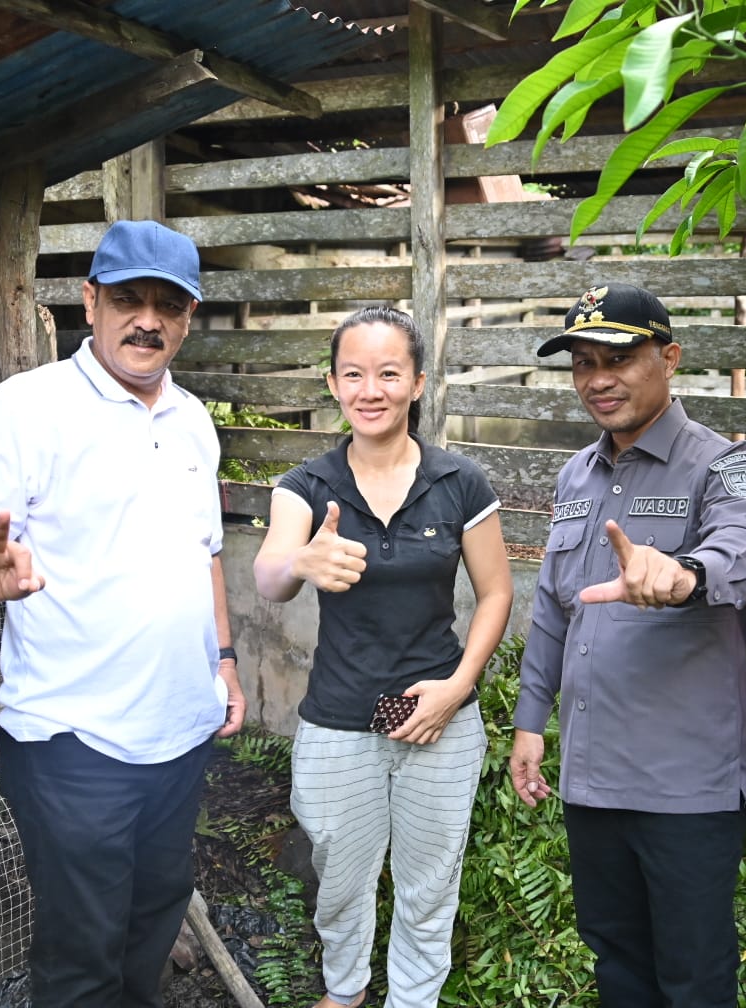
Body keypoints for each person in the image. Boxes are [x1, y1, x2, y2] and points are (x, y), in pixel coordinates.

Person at [0, 219, 246, 1007]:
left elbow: (204, 552)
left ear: (188, 316)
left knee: (151, 921)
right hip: (74, 740)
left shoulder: (193, 421)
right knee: (82, 955)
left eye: (167, 305)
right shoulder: (26, 408)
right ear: (89, 301)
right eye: (128, 299)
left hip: (179, 728)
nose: (147, 319)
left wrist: (225, 663)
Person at [509, 283, 746, 1008]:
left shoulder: (724, 463)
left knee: (694, 977)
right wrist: (530, 721)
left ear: (670, 358)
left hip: (685, 789)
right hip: (593, 781)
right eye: (583, 363)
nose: (598, 379)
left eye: (619, 358)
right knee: (618, 966)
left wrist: (685, 573)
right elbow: (556, 607)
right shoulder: (575, 474)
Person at [252, 306, 513, 1008]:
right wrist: (302, 559)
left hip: (440, 719)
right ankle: (345, 991)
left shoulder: (460, 483)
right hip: (340, 721)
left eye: (389, 373)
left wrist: (458, 689)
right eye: (354, 374)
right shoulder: (307, 486)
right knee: (340, 877)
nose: (372, 389)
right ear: (333, 384)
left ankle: (412, 1000)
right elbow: (270, 576)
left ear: (418, 383)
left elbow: (495, 594)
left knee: (430, 882)